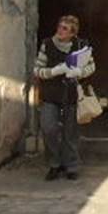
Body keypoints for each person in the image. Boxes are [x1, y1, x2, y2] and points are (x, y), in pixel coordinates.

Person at [34, 14, 95, 181]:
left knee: (70, 132)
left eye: (65, 28)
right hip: (50, 95)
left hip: (70, 94)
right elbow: (37, 70)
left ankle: (71, 166)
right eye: (60, 26)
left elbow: (92, 66)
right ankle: (54, 163)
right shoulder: (47, 44)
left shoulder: (81, 46)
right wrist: (54, 71)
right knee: (48, 128)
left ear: (73, 33)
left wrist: (79, 72)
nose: (60, 30)